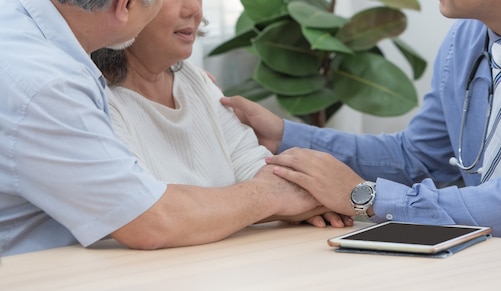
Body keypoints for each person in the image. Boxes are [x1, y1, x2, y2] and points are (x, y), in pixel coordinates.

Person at [222, 0, 501, 252]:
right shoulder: (467, 38)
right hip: (489, 263)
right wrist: (283, 134)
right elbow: (416, 156)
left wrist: (363, 198)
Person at [0, 0, 323, 257]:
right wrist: (274, 195)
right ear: (124, 5)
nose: (194, 11)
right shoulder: (50, 86)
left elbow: (252, 167)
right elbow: (150, 220)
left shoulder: (26, 33)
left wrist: (288, 194)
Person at [91, 0, 350, 229]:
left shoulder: (196, 82)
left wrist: (290, 200)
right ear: (123, 6)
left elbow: (262, 172)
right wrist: (273, 203)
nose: (193, 9)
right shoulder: (93, 98)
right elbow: (149, 212)